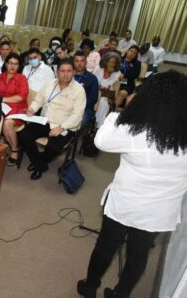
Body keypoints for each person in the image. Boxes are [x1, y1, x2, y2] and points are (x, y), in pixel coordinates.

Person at [77, 70, 187, 298]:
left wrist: (120, 113)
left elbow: (101, 140)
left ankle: (89, 286)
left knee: (106, 245)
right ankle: (121, 293)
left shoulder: (135, 130)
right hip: (160, 212)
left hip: (127, 204)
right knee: (139, 254)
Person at [18, 59, 86, 180]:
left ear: (74, 72)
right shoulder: (50, 84)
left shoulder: (79, 90)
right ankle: (40, 165)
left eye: (69, 71)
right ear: (57, 72)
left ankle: (39, 161)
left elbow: (77, 115)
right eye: (62, 71)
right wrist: (32, 109)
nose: (65, 74)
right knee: (24, 135)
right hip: (46, 120)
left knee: (53, 148)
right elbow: (38, 100)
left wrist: (61, 127)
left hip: (65, 125)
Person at [0, 53, 29, 166]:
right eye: (10, 63)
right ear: (6, 64)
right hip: (1, 107)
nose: (13, 66)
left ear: (19, 66)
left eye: (16, 64)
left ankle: (14, 149)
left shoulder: (22, 78)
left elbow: (20, 97)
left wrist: (3, 99)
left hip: (18, 109)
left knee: (7, 123)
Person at [92, 52, 122, 128]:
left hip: (106, 97)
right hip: (94, 92)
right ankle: (94, 124)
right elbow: (92, 81)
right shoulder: (98, 69)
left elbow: (113, 92)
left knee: (103, 103)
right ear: (105, 62)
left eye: (114, 63)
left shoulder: (117, 74)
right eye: (110, 62)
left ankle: (97, 126)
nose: (112, 64)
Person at [73, 51, 99, 128]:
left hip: (85, 108)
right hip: (67, 105)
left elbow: (93, 99)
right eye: (77, 61)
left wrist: (77, 106)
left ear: (86, 62)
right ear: (73, 62)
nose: (79, 63)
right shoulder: (69, 75)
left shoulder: (92, 78)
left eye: (82, 61)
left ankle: (75, 138)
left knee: (81, 121)